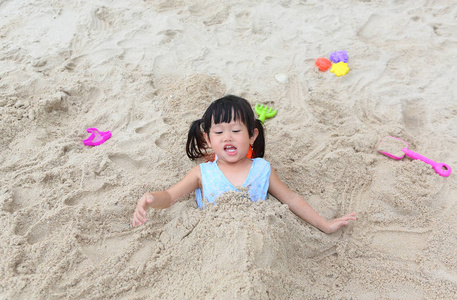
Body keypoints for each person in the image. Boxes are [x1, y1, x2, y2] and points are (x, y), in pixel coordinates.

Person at [132, 95, 356, 234]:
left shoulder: (262, 169)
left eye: (236, 131)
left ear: (252, 136)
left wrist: (324, 224)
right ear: (209, 140)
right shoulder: (202, 173)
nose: (227, 137)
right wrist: (150, 199)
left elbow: (291, 198)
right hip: (213, 239)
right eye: (219, 132)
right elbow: (170, 197)